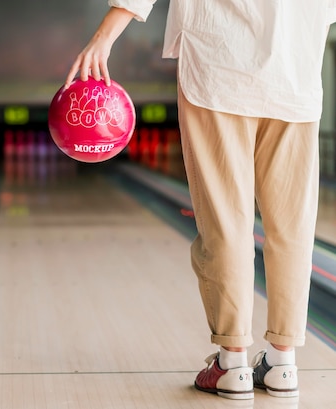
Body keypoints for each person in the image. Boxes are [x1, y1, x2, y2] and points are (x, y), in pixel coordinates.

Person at [65, 0, 336, 401]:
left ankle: (232, 365)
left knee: (226, 224)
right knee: (292, 226)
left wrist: (104, 37)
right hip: (294, 68)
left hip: (219, 65)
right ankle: (283, 363)